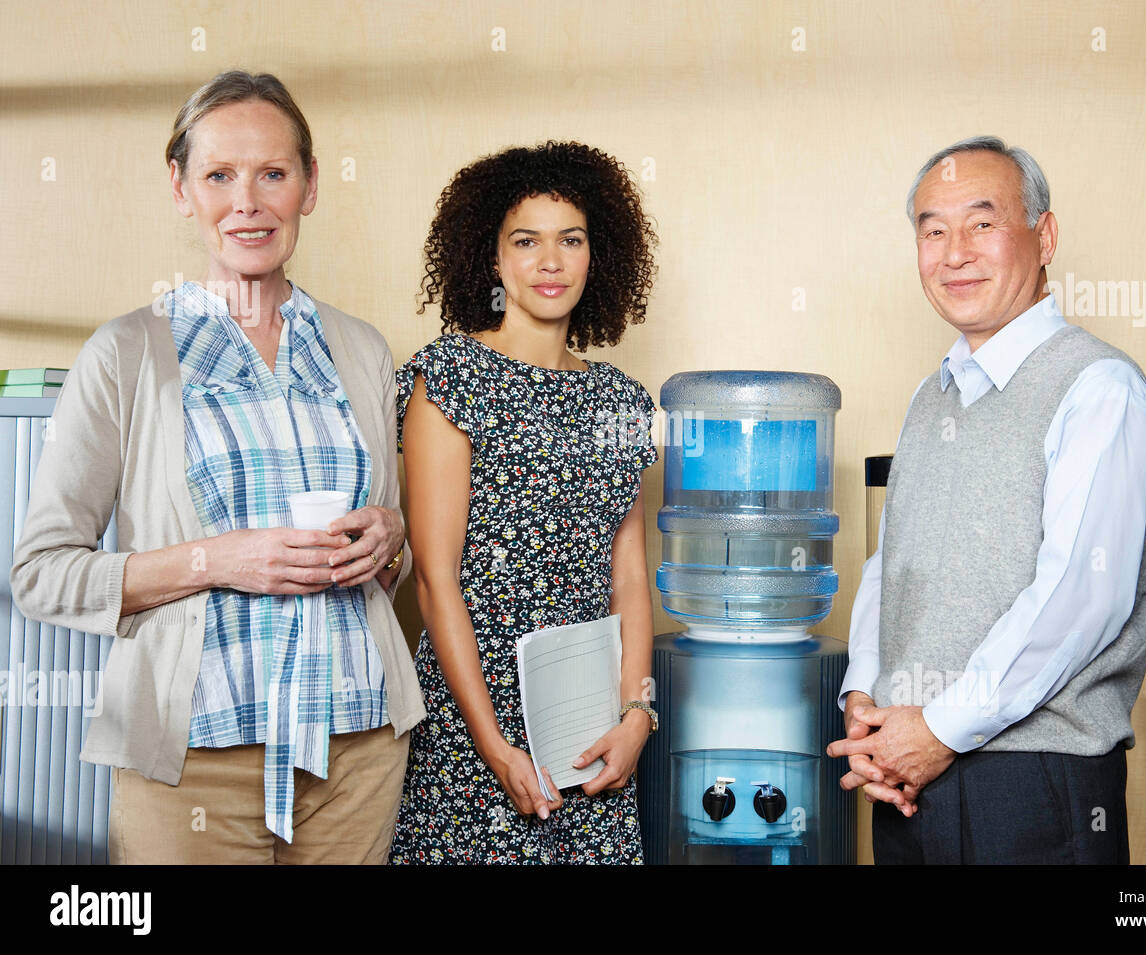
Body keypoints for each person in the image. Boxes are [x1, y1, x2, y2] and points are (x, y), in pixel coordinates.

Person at [9, 70, 425, 864]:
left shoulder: (362, 349)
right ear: (181, 188)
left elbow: (389, 561)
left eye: (274, 172)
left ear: (309, 184)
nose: (249, 201)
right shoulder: (125, 355)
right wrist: (218, 559)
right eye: (219, 175)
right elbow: (42, 573)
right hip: (194, 766)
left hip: (359, 749)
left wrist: (391, 535)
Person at [828, 136, 1146, 864]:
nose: (954, 253)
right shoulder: (932, 395)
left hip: (1035, 783)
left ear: (1043, 236)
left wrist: (941, 729)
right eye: (932, 229)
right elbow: (894, 565)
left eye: (982, 223)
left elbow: (1082, 597)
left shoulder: (1099, 389)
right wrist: (865, 701)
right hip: (907, 777)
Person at [387, 141, 660, 865]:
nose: (550, 261)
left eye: (570, 240)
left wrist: (639, 712)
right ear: (493, 258)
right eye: (526, 241)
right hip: (477, 715)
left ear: (596, 256)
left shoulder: (622, 401)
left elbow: (629, 576)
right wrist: (491, 743)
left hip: (590, 720)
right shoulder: (449, 379)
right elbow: (434, 576)